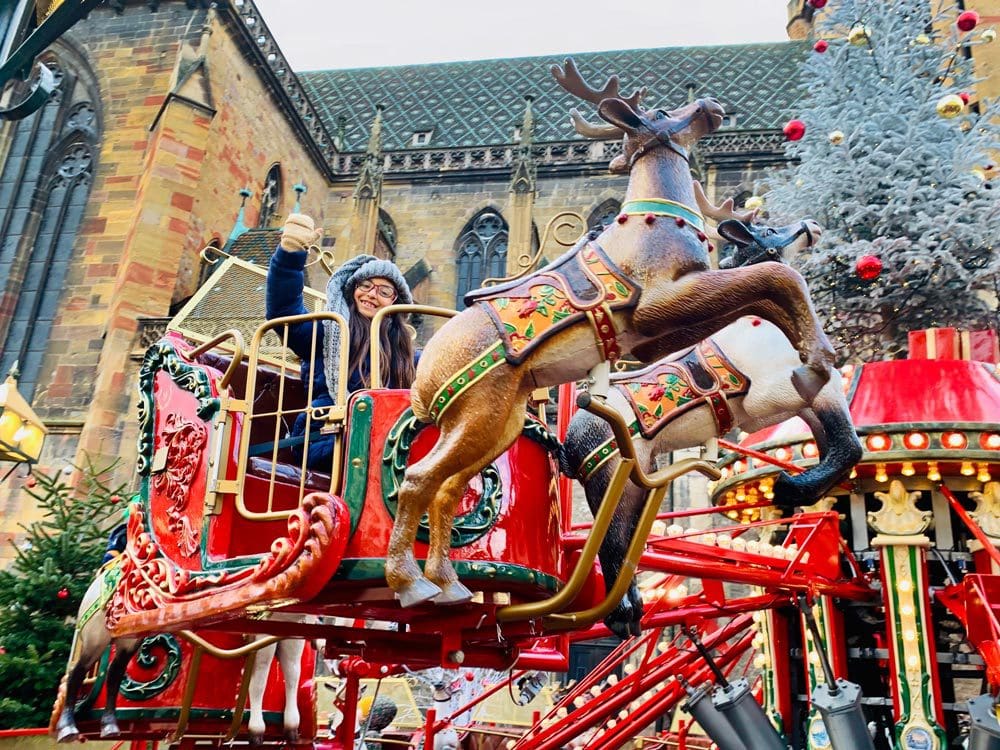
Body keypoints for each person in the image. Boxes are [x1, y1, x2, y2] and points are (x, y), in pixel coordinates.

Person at [266, 214, 416, 468]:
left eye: (384, 291)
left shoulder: (406, 352)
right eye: (366, 285)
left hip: (386, 443)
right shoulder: (331, 329)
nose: (371, 294)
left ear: (395, 302)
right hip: (325, 435)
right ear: (353, 289)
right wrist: (289, 258)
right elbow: (284, 314)